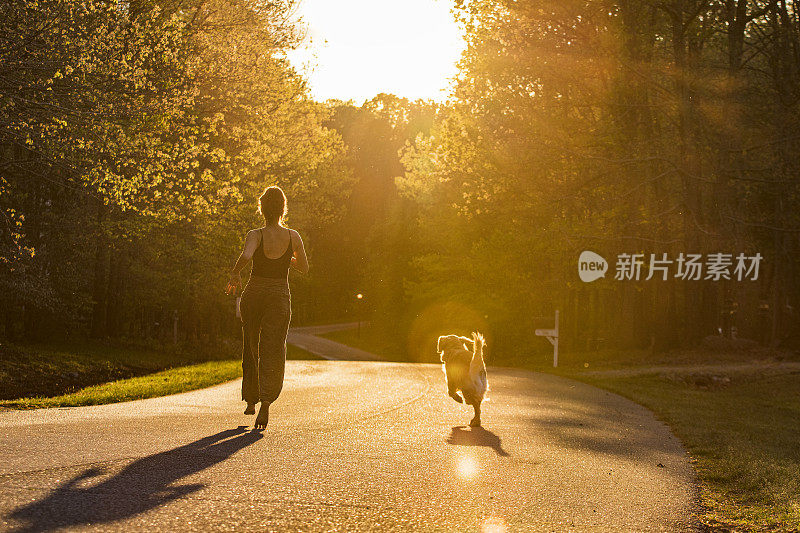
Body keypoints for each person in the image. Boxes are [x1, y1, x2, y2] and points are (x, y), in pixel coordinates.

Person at [225, 186, 308, 429]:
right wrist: (286, 258)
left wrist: (234, 273)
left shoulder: (256, 234)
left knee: (252, 344)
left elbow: (247, 255)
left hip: (254, 293)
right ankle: (265, 404)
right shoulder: (293, 236)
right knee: (273, 347)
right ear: (283, 208)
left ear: (262, 208)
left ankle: (250, 400)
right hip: (279, 295)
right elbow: (304, 268)